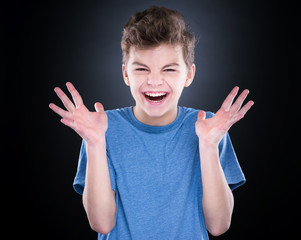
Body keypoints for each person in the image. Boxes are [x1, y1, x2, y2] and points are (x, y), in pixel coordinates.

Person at [49, 6, 254, 240]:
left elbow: (218, 225)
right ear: (126, 74)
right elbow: (102, 223)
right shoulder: (100, 129)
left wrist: (208, 146)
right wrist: (95, 143)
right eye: (142, 69)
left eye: (169, 69)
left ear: (189, 74)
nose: (154, 80)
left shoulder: (210, 128)